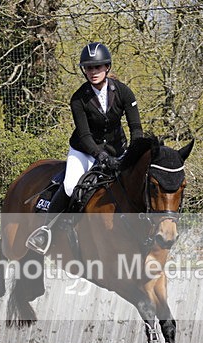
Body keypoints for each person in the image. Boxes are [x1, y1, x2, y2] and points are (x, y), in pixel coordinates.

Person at [26, 42, 144, 253]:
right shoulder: (79, 98)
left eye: (97, 67)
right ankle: (46, 231)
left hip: (118, 150)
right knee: (71, 185)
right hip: (85, 151)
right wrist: (100, 155)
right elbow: (85, 135)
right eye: (88, 68)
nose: (93, 72)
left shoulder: (124, 92)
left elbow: (136, 128)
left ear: (107, 67)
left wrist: (134, 154)